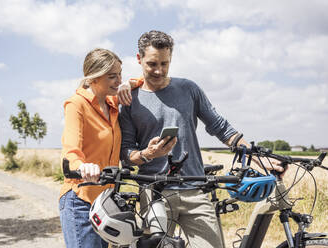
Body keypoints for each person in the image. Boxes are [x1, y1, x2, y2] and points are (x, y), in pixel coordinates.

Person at [119, 30, 284, 248]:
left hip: (195, 189)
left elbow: (222, 128)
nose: (158, 70)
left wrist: (257, 158)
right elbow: (127, 155)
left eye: (164, 63)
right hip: (154, 192)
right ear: (139, 59)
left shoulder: (189, 89)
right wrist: (148, 154)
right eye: (152, 64)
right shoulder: (130, 100)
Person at [59, 48, 144, 248]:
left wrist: (128, 84)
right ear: (94, 78)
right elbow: (71, 148)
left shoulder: (112, 101)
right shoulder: (76, 104)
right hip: (81, 199)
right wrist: (82, 166)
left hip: (107, 201)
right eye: (112, 76)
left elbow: (140, 79)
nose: (118, 80)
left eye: (120, 74)